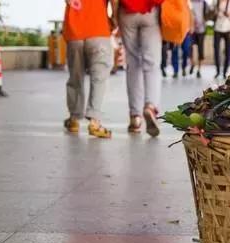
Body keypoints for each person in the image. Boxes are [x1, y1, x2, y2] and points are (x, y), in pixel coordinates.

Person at [62, 0, 117, 139]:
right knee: (99, 79)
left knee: (75, 77)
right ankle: (94, 122)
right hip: (98, 29)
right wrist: (115, 19)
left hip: (74, 30)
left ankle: (74, 119)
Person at [119, 0, 164, 136]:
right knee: (152, 64)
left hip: (126, 11)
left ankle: (135, 117)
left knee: (133, 64)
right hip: (151, 10)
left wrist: (115, 14)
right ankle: (150, 106)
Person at [214, 0, 230, 78]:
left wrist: (229, 15)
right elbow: (212, 13)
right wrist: (215, 13)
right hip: (217, 28)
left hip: (228, 29)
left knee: (228, 51)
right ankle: (218, 71)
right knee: (216, 50)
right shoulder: (216, 2)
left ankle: (225, 72)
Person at [190, 0, 209, 78]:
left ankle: (199, 70)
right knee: (190, 48)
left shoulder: (204, 3)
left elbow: (208, 15)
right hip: (192, 30)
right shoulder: (190, 2)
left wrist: (204, 21)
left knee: (200, 50)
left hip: (201, 30)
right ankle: (193, 63)